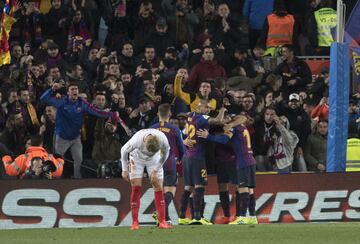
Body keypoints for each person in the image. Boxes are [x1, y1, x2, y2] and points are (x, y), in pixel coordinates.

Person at [40, 82, 119, 178]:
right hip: (61, 138)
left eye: (76, 89)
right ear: (68, 93)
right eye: (72, 89)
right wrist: (52, 89)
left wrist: (111, 114)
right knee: (58, 161)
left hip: (75, 138)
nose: (75, 91)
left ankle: (77, 180)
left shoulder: (82, 103)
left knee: (79, 160)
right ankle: (57, 180)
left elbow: (97, 112)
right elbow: (43, 98)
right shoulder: (61, 101)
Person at [196, 115, 258, 225]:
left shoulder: (232, 128)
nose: (223, 121)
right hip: (250, 159)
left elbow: (224, 139)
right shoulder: (242, 127)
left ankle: (242, 217)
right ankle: (253, 216)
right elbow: (243, 118)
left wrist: (208, 136)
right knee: (249, 189)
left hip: (243, 161)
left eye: (225, 119)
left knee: (243, 189)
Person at [178, 99, 226, 225]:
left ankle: (182, 216)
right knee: (200, 185)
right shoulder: (201, 117)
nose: (209, 110)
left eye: (210, 109)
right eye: (207, 108)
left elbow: (182, 133)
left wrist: (183, 141)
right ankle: (197, 218)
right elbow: (218, 121)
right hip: (197, 157)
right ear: (200, 107)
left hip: (187, 157)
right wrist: (222, 110)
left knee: (188, 186)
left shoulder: (190, 117)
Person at [120, 128, 171, 230]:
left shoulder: (163, 139)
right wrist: (124, 170)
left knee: (158, 186)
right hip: (137, 158)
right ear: (144, 143)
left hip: (155, 160)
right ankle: (135, 222)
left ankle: (162, 221)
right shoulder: (136, 140)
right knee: (136, 187)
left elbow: (165, 154)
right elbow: (123, 150)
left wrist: (155, 170)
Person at [150, 103, 185, 225]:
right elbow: (181, 149)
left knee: (159, 192)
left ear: (157, 114)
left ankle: (165, 219)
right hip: (169, 163)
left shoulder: (152, 129)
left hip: (154, 165)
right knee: (170, 191)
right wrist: (180, 158)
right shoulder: (174, 129)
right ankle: (159, 212)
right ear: (169, 114)